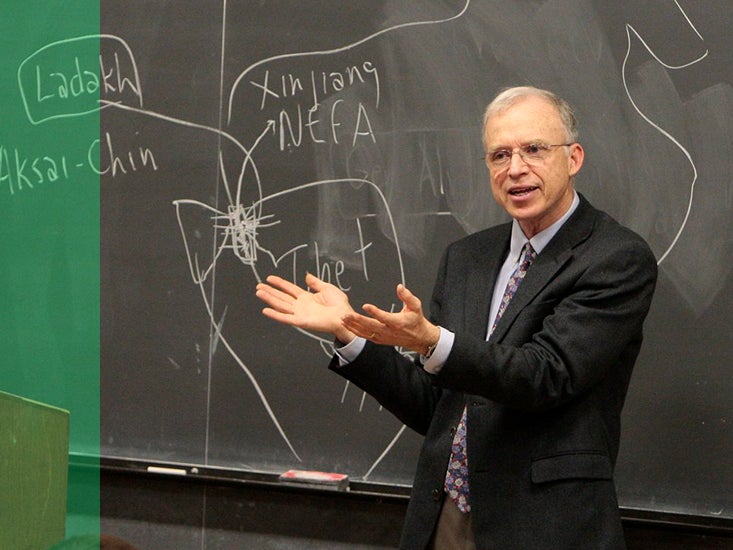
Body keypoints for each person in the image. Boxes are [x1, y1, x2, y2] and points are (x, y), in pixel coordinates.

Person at [255, 86, 658, 549]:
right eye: (499, 155)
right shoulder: (467, 258)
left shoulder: (615, 257)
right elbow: (437, 407)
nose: (516, 169)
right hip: (446, 516)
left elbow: (546, 374)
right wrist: (349, 334)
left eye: (534, 150)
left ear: (574, 157)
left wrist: (432, 342)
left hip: (548, 525)